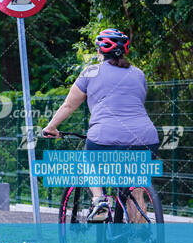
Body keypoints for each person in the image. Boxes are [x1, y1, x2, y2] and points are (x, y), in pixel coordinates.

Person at [43, 28, 159, 229]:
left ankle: (99, 201)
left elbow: (69, 105)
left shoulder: (91, 72)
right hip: (145, 138)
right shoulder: (138, 74)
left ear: (100, 51)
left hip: (105, 137)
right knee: (135, 190)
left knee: (87, 162)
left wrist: (51, 126)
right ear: (125, 52)